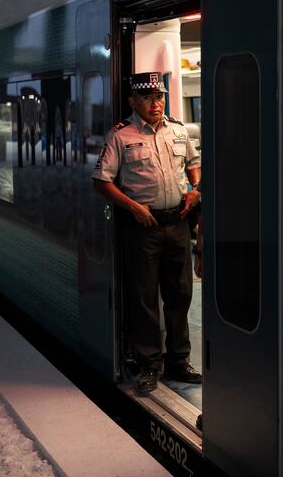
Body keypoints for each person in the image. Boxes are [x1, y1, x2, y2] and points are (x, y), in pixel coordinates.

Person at [92, 72, 202, 393]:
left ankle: (178, 362)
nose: (156, 104)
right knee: (144, 299)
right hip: (143, 227)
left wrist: (195, 189)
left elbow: (193, 163)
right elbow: (101, 182)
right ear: (133, 101)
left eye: (160, 97)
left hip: (177, 224)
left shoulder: (179, 131)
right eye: (148, 98)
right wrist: (133, 207)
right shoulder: (120, 136)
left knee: (180, 294)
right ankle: (149, 365)